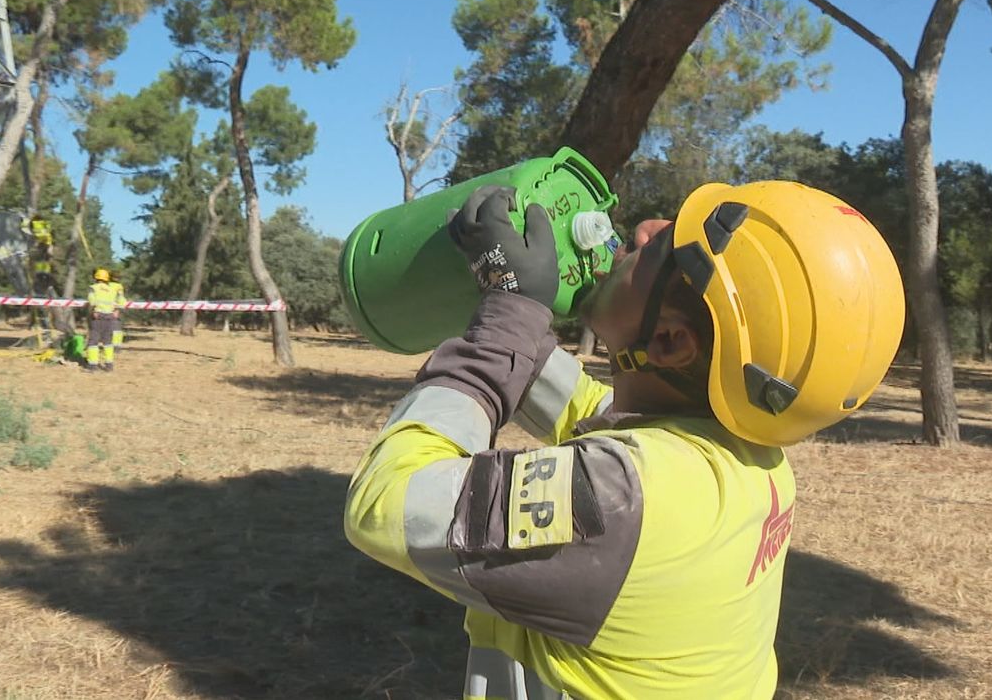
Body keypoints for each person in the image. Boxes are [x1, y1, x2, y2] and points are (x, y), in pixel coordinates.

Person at [344, 181, 905, 699]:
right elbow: (591, 408)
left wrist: (509, 314)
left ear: (668, 341)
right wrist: (513, 302)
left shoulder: (622, 499)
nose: (645, 227)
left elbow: (384, 505)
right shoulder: (742, 455)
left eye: (662, 248)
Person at [83, 268, 124, 372]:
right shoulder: (112, 289)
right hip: (109, 317)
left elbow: (91, 301)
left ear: (96, 278)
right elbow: (122, 301)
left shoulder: (93, 288)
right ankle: (109, 365)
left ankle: (92, 365)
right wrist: (117, 310)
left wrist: (93, 311)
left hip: (98, 316)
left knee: (93, 341)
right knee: (108, 342)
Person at [108, 271, 127, 349]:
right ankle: (116, 345)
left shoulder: (106, 285)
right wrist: (118, 309)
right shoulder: (118, 286)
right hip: (115, 308)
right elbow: (120, 298)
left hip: (106, 309)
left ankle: (112, 344)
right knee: (117, 328)